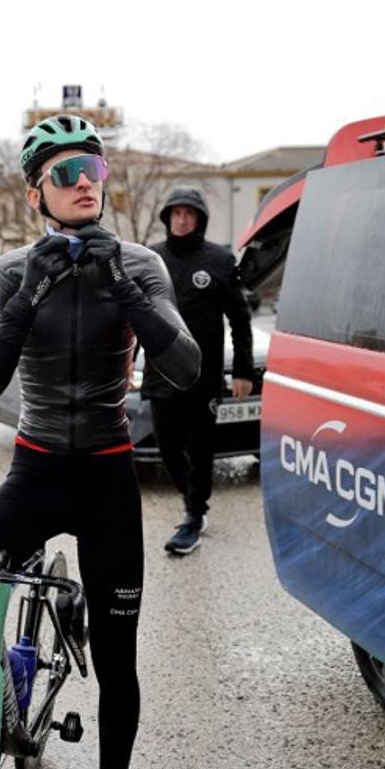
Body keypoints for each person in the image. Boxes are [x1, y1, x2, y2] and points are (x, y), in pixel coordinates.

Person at [0, 115, 201, 769]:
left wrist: (127, 293)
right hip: (35, 472)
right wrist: (26, 301)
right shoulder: (8, 271)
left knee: (117, 661)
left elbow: (187, 368)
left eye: (94, 172)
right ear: (34, 194)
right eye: (66, 175)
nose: (85, 185)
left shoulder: (140, 262)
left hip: (109, 477)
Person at [143, 188, 254, 555]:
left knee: (201, 447)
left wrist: (242, 370)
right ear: (167, 217)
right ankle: (191, 497)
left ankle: (194, 514)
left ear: (200, 219)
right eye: (175, 213)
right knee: (168, 447)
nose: (182, 219)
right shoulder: (151, 258)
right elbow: (134, 314)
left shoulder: (219, 261)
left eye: (189, 213)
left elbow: (240, 320)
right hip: (161, 374)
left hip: (202, 377)